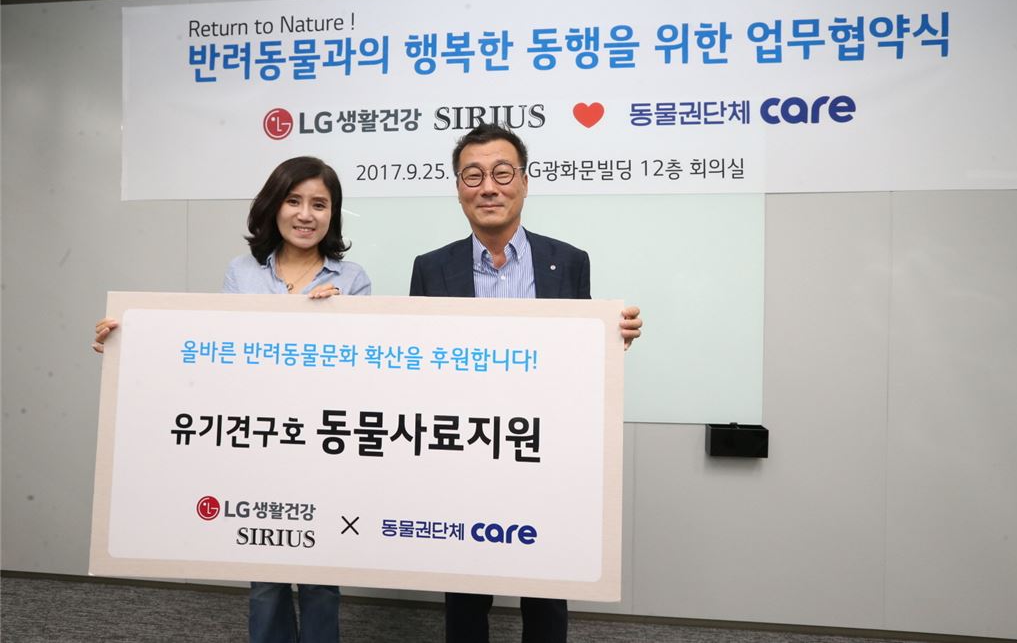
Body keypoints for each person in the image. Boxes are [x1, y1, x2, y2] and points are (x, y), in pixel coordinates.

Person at [94, 156, 369, 643]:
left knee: (321, 580)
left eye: (320, 204)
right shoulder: (241, 272)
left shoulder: (351, 278)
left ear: (333, 213)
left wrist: (339, 321)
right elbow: (213, 351)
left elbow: (366, 365)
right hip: (258, 444)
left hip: (322, 445)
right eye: (294, 201)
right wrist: (128, 343)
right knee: (265, 581)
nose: (306, 215)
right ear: (274, 206)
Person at [409, 124, 642, 643]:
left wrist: (611, 339)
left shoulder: (569, 261)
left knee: (546, 589)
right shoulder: (431, 268)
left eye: (501, 172)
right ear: (458, 188)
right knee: (465, 589)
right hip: (465, 450)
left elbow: (578, 358)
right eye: (473, 176)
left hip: (543, 450)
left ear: (524, 181)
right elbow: (420, 364)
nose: (488, 187)